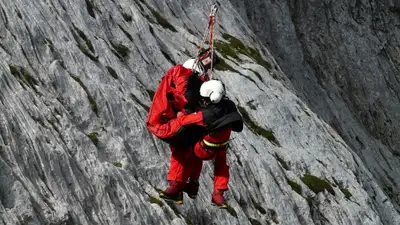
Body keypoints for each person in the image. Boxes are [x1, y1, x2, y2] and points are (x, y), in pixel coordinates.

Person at [159, 80, 243, 208]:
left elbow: (184, 120)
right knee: (221, 165)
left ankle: (176, 186)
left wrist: (180, 113)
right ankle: (217, 193)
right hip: (220, 147)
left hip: (204, 150)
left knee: (182, 150)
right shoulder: (229, 105)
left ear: (212, 98)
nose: (203, 101)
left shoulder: (207, 114)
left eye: (205, 99)